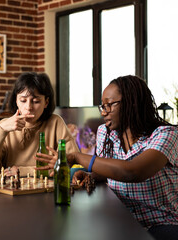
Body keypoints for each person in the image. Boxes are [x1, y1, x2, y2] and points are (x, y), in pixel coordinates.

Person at [36, 75, 178, 240]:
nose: (104, 112)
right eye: (102, 106)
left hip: (162, 223)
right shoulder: (105, 132)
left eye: (110, 105)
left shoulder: (166, 135)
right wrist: (90, 175)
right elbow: (111, 169)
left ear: (132, 103)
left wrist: (76, 157)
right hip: (121, 218)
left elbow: (133, 171)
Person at [0, 72, 79, 177]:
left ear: (46, 102)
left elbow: (74, 165)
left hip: (46, 191)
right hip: (11, 191)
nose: (28, 107)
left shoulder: (56, 123)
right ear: (16, 101)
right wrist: (0, 130)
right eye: (23, 100)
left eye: (36, 101)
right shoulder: (4, 126)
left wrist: (23, 171)